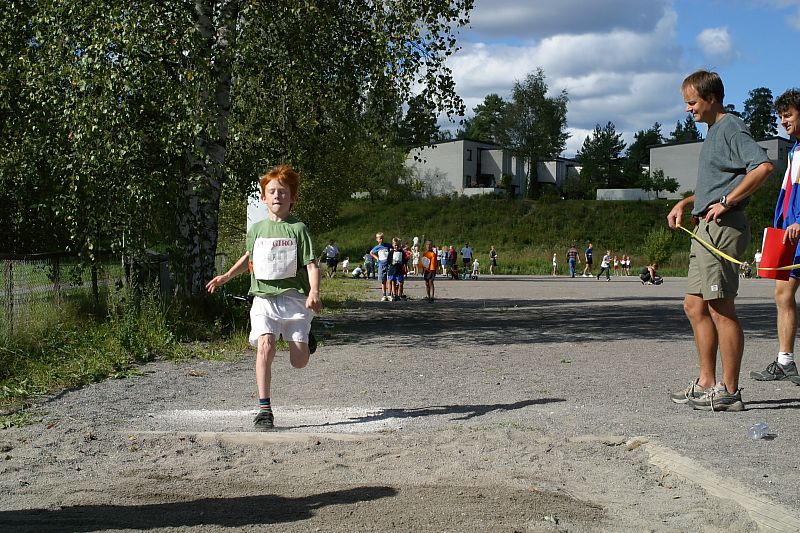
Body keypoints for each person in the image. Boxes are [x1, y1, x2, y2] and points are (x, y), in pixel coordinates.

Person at [666, 70, 773, 411]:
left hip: (723, 227)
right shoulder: (714, 131)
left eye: (692, 102)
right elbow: (717, 185)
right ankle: (706, 382)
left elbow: (763, 167)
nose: (688, 109)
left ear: (711, 98)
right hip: (705, 228)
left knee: (720, 307)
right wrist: (686, 203)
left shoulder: (731, 127)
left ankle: (730, 390)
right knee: (694, 305)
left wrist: (727, 202)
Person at [205, 164, 321, 431]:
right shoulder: (257, 229)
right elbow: (249, 257)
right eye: (272, 192)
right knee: (265, 345)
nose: (277, 196)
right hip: (263, 300)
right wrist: (226, 276)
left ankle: (306, 339)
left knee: (299, 362)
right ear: (264, 197)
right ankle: (264, 410)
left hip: (294, 300)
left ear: (293, 198)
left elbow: (312, 265)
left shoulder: (298, 229)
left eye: (283, 192)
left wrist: (314, 292)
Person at [750, 88, 800, 385]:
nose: (783, 121)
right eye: (781, 116)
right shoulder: (794, 150)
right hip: (790, 236)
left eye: (788, 115)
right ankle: (785, 361)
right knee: (782, 294)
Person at [371, 232, 392, 301]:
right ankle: (384, 295)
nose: (381, 240)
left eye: (382, 238)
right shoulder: (377, 247)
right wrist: (377, 258)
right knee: (383, 280)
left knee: (389, 280)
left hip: (388, 264)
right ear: (377, 239)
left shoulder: (387, 245)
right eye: (380, 239)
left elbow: (393, 248)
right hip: (381, 265)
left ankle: (389, 294)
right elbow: (371, 252)